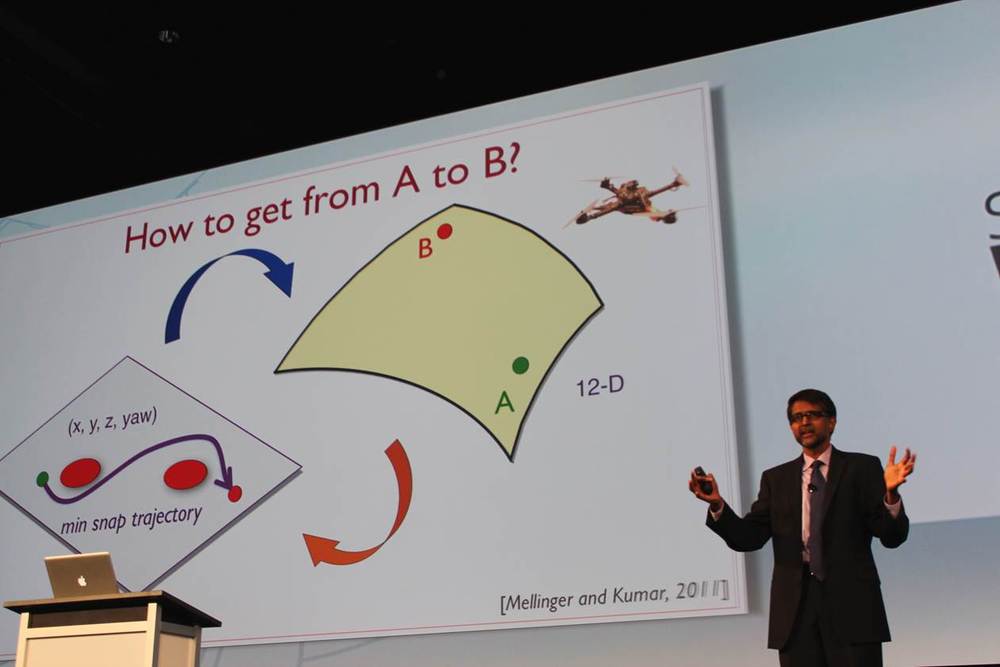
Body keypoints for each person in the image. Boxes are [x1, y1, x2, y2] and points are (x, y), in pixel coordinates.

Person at [689, 388, 916, 667]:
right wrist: (717, 504)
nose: (804, 422)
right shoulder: (776, 479)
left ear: (831, 422)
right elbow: (748, 538)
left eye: (812, 415)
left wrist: (891, 494)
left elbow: (892, 536)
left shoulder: (862, 467)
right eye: (796, 418)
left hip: (853, 609)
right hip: (795, 614)